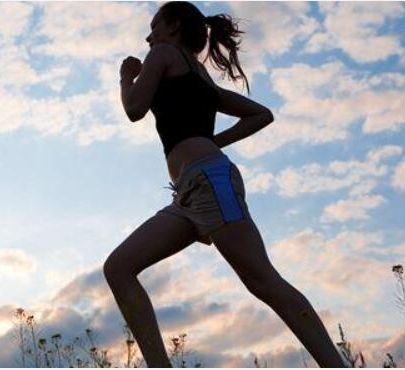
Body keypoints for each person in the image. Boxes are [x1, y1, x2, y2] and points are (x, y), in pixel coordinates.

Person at [103, 1, 348, 368]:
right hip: (190, 192)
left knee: (262, 281)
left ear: (171, 27)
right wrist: (212, 142)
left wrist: (126, 77)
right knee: (119, 268)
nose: (148, 36)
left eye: (154, 27)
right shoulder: (200, 78)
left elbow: (135, 108)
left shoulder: (164, 54)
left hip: (209, 181)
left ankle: (336, 364)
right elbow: (260, 114)